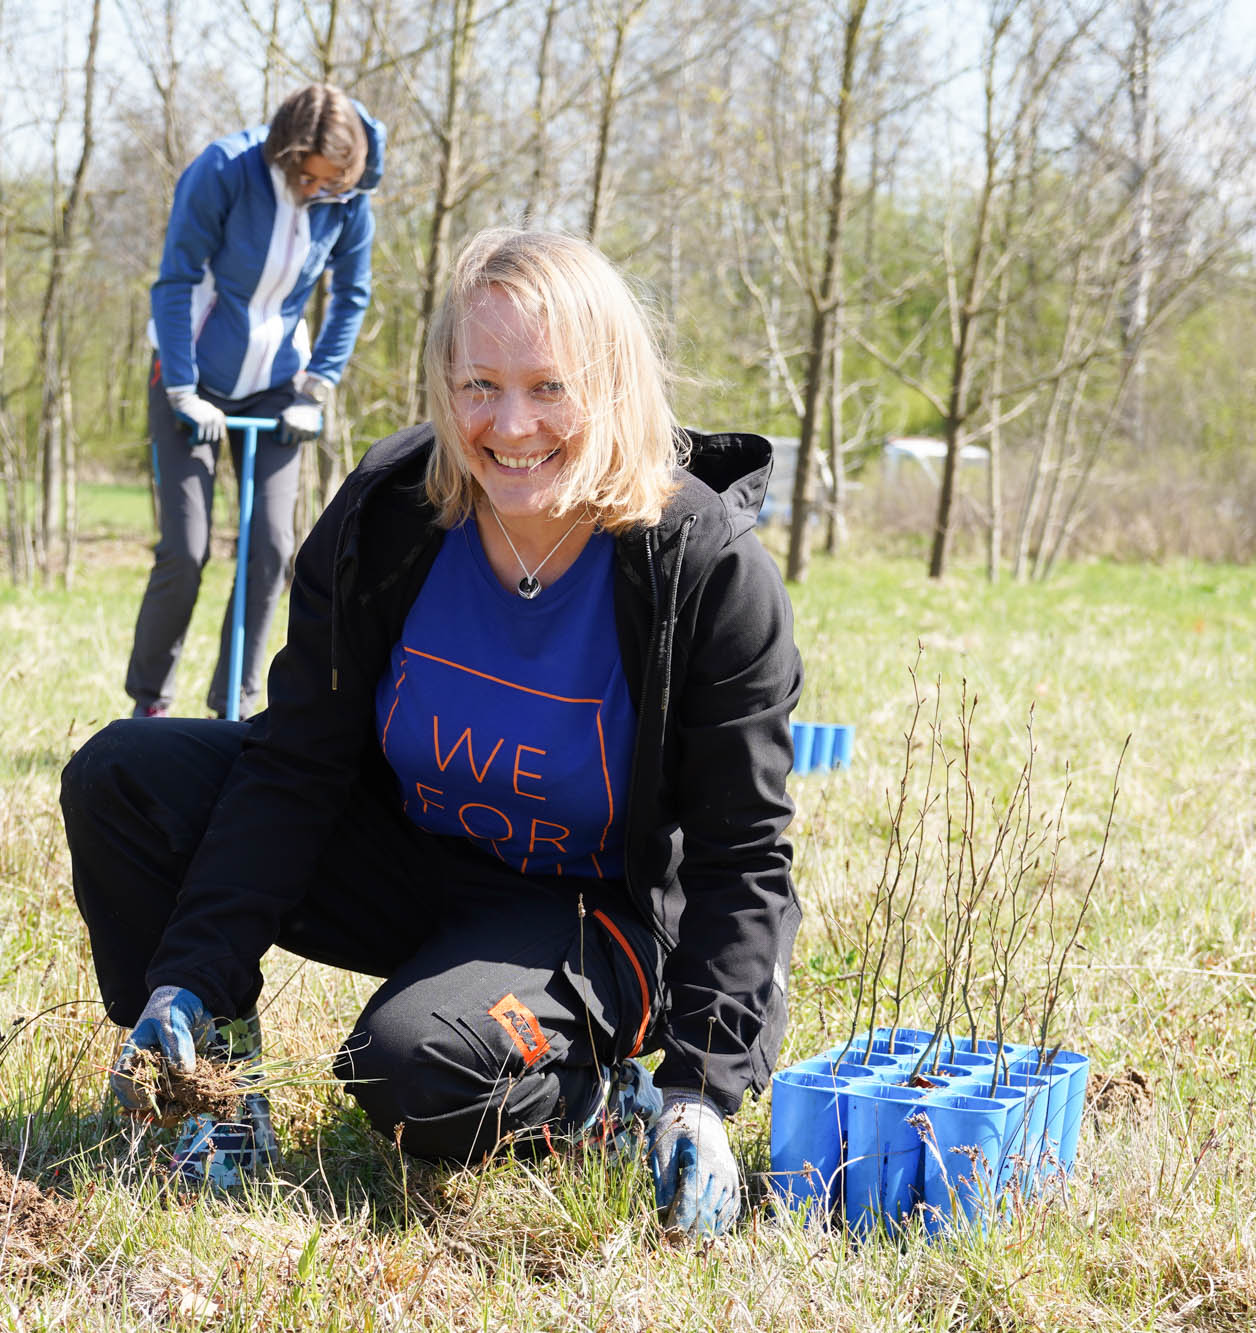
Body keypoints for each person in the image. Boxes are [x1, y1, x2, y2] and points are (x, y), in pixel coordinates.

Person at [65, 229, 802, 1236]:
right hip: (410, 861)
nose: (509, 425)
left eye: (549, 387)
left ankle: (605, 1109)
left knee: (411, 1067)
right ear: (441, 384)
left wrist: (700, 1089)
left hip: (586, 917)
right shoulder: (390, 514)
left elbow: (742, 856)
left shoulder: (705, 574)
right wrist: (191, 970)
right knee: (125, 775)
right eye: (478, 386)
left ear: (615, 384)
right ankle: (218, 1098)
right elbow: (296, 761)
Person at [125, 84, 385, 719]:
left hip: (277, 387)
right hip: (192, 375)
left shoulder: (350, 198)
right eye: (308, 179)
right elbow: (177, 276)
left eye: (331, 183)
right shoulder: (223, 171)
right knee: (185, 550)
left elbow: (351, 295)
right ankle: (151, 703)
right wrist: (184, 389)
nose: (316, 193)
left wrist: (317, 386)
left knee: (271, 546)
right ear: (285, 156)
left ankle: (234, 706)